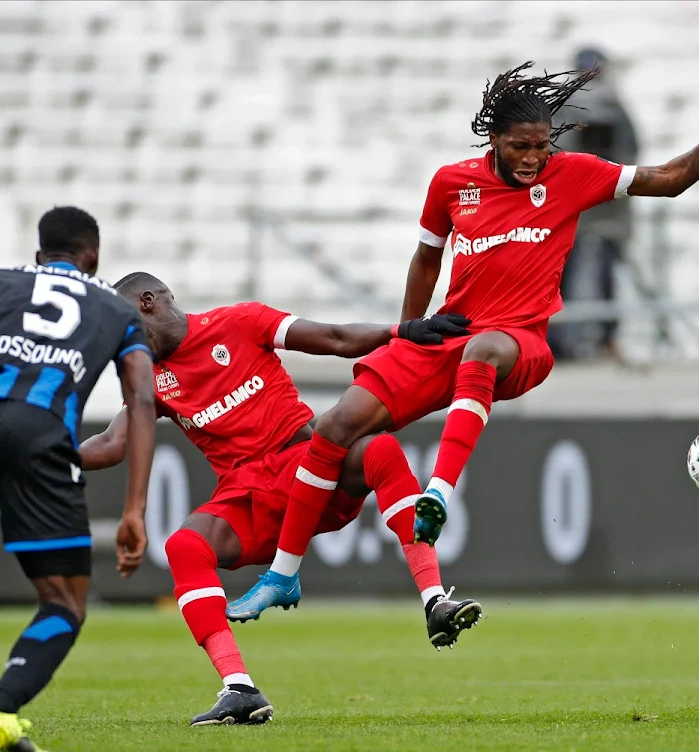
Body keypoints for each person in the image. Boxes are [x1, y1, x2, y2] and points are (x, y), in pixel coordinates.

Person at [227, 61, 699, 618]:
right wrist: (406, 335)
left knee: (484, 351)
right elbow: (425, 259)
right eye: (519, 147)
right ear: (494, 139)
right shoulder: (451, 183)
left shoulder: (574, 173)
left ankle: (439, 490)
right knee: (335, 427)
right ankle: (282, 575)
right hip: (448, 337)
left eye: (540, 146)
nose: (533, 158)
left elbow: (670, 179)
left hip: (520, 344)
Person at [79, 273, 480, 726]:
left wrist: (400, 330)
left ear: (148, 302)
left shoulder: (241, 321)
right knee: (184, 547)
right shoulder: (150, 379)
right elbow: (114, 443)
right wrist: (50, 456)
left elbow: (333, 338)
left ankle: (434, 602)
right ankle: (239, 688)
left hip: (307, 468)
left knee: (380, 449)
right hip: (249, 499)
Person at [0, 207, 156, 752]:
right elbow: (140, 400)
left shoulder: (6, 283)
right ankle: (3, 708)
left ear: (40, 254)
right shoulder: (115, 309)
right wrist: (134, 508)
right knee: (63, 602)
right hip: (42, 438)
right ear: (94, 257)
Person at [549, 47, 640, 360]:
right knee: (559, 275)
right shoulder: (563, 108)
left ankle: (606, 338)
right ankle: (555, 342)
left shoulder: (616, 108)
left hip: (608, 207)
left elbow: (630, 153)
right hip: (572, 209)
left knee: (605, 274)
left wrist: (606, 169)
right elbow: (554, 154)